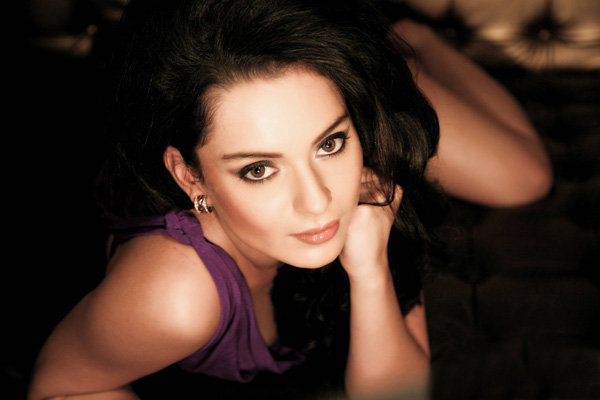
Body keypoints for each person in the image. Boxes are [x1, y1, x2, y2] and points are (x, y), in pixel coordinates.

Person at [28, 0, 440, 399]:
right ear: (190, 177)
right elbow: (58, 389)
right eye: (258, 170)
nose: (318, 202)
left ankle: (423, 42)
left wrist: (371, 270)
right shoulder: (177, 295)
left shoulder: (370, 170)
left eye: (328, 144)